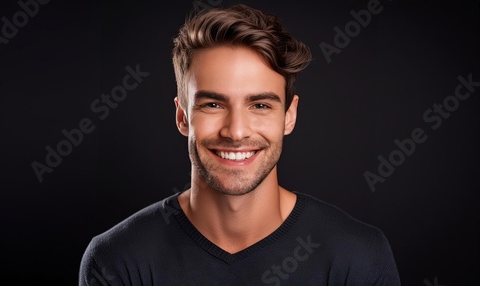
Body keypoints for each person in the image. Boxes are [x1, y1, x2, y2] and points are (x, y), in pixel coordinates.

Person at [79, 4, 401, 285]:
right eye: (213, 105)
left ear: (289, 116)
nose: (235, 131)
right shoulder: (117, 261)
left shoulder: (358, 258)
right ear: (182, 117)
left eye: (260, 105)